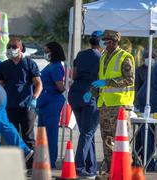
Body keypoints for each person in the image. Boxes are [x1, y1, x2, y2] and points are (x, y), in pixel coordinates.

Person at [83, 30, 135, 179]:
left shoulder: (125, 57)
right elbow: (101, 79)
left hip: (120, 106)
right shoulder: (104, 56)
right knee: (107, 140)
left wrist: (108, 82)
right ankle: (111, 172)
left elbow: (129, 79)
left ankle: (124, 172)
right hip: (105, 104)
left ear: (112, 42)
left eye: (105, 42)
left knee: (120, 140)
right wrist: (92, 92)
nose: (103, 44)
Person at [0, 37, 42, 167]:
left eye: (14, 47)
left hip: (27, 106)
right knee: (13, 136)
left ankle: (31, 165)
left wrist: (34, 99)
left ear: (20, 48)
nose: (11, 49)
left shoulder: (29, 63)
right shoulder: (4, 65)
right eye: (8, 47)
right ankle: (15, 165)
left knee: (28, 137)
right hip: (9, 106)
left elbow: (38, 84)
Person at [68, 30, 102, 178]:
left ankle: (91, 167)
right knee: (87, 133)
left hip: (75, 94)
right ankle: (79, 167)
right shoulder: (102, 57)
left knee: (86, 134)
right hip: (90, 94)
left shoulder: (81, 55)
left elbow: (73, 75)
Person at [37, 41, 66, 169]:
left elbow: (60, 87)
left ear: (54, 52)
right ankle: (43, 160)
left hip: (52, 102)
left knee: (51, 134)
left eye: (47, 51)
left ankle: (51, 161)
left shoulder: (56, 67)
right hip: (45, 103)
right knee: (42, 133)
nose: (46, 54)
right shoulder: (51, 65)